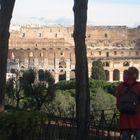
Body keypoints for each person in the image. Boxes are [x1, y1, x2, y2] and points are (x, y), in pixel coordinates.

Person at [116, 67, 140, 140]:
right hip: (138, 119)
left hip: (124, 120)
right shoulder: (139, 86)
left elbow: (117, 104)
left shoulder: (120, 87)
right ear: (135, 75)